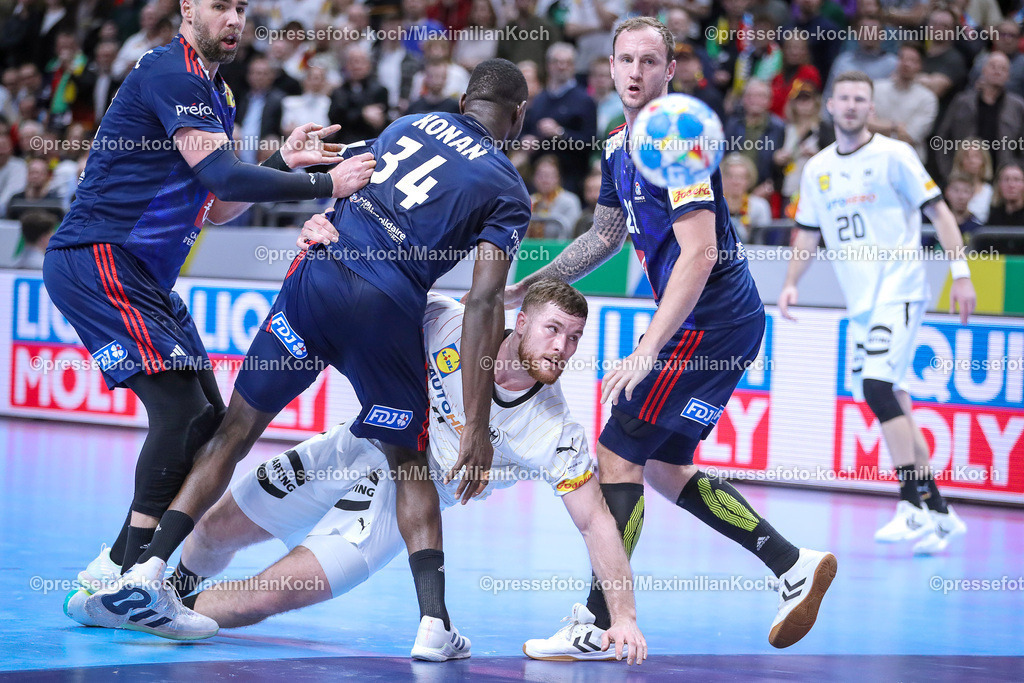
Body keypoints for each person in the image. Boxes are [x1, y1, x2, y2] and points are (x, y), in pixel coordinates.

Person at [79, 59, 535, 657]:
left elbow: (342, 173)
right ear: (519, 115)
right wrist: (476, 424)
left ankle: (145, 572)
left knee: (235, 429)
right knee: (410, 462)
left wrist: (321, 213)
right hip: (384, 305)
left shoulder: (408, 124)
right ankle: (434, 626)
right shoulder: (507, 187)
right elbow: (482, 303)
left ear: (464, 99)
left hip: (316, 279)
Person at [67, 283, 648, 664]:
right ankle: (148, 590)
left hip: (399, 510)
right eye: (553, 330)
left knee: (260, 599)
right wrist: (318, 234)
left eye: (574, 338)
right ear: (519, 323)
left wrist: (621, 617)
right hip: (348, 449)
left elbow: (597, 522)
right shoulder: (446, 322)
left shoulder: (555, 429)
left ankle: (151, 614)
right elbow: (364, 292)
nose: (563, 347)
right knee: (216, 530)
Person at [43, 0, 374, 641]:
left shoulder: (213, 91)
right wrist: (326, 185)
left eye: (242, 9)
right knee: (176, 415)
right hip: (100, 257)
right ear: (187, 9)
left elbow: (218, 203)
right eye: (220, 5)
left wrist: (283, 163)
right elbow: (221, 172)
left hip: (146, 278)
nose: (233, 18)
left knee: (207, 424)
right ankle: (122, 574)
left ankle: (123, 575)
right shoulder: (171, 73)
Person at [507, 17, 837, 659]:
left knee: (617, 451)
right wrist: (538, 282)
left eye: (648, 61)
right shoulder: (615, 141)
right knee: (662, 465)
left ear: (669, 71)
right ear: (609, 66)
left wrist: (649, 347)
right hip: (720, 322)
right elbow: (605, 236)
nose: (634, 72)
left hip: (708, 321)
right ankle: (793, 565)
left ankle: (597, 624)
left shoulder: (679, 140)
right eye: (624, 60)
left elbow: (700, 253)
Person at [779, 70, 976, 555]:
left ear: (871, 107)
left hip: (901, 288)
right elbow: (807, 231)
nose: (850, 105)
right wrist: (790, 283)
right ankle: (940, 512)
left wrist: (962, 272)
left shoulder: (895, 156)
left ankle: (910, 505)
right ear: (829, 105)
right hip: (862, 303)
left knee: (877, 389)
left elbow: (940, 213)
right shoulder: (818, 167)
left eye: (860, 99)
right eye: (843, 98)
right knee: (896, 399)